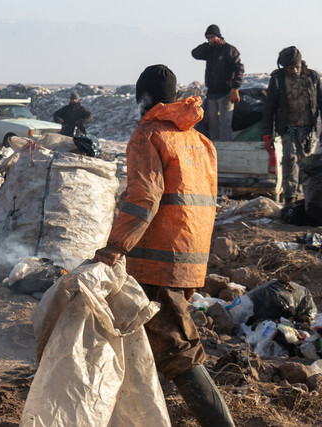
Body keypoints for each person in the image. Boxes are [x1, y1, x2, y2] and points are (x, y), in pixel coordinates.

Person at [94, 65, 234, 426]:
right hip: (190, 259)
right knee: (148, 343)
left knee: (178, 349)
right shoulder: (199, 140)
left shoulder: (148, 136)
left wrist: (114, 248)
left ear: (143, 99)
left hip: (157, 261)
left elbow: (144, 199)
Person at [262, 46, 322, 204]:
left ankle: (309, 198)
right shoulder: (277, 80)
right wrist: (267, 134)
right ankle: (291, 197)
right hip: (288, 127)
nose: (294, 70)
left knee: (308, 163)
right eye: (290, 68)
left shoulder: (313, 78)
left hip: (308, 128)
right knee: (289, 158)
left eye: (297, 67)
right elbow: (269, 107)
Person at [192, 24, 244, 141]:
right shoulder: (210, 50)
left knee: (225, 124)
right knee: (213, 124)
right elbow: (195, 53)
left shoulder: (229, 49)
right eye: (208, 38)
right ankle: (214, 149)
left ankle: (227, 150)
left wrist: (235, 88)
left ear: (218, 36)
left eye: (212, 37)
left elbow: (239, 67)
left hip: (226, 92)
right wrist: (207, 45)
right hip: (212, 93)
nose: (211, 40)